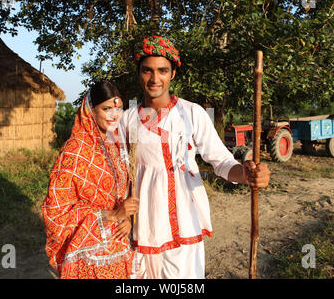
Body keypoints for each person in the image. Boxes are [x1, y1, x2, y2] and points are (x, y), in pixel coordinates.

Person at [118, 36, 271, 279]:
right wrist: (119, 213)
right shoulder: (126, 120)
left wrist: (246, 174)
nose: (155, 79)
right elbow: (116, 176)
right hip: (143, 226)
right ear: (139, 73)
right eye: (147, 70)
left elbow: (220, 160)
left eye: (162, 71)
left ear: (173, 74)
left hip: (185, 222)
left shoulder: (192, 113)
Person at [42, 81, 139, 279]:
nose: (114, 115)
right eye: (106, 109)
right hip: (88, 255)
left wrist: (126, 217)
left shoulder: (116, 147)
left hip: (120, 245)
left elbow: (122, 193)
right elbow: (55, 211)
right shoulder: (75, 151)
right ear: (90, 110)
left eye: (119, 109)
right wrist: (110, 215)